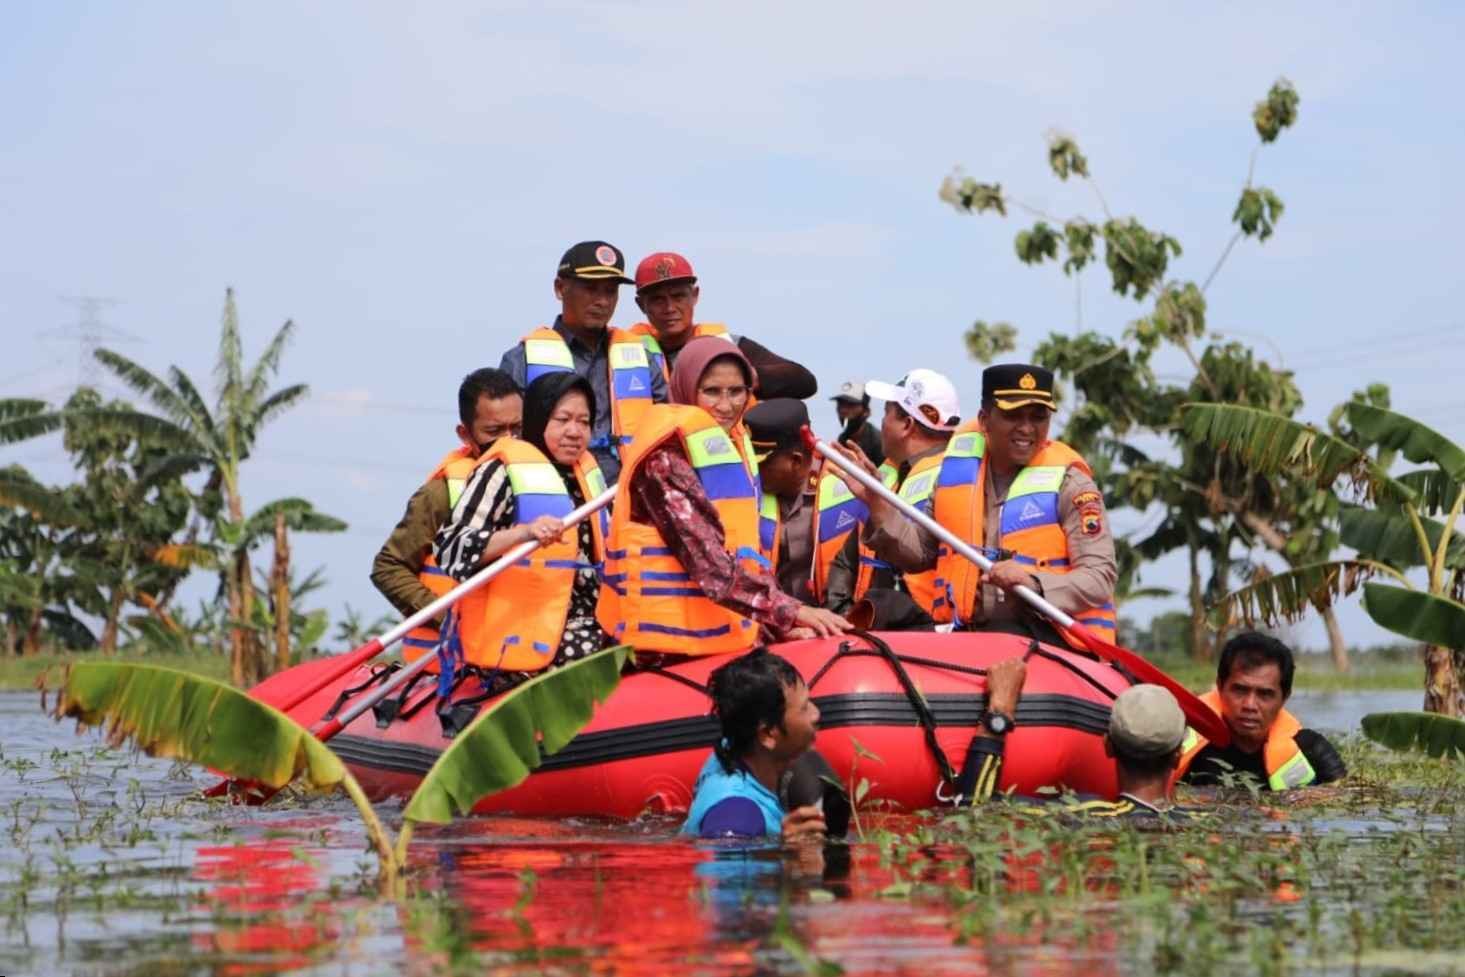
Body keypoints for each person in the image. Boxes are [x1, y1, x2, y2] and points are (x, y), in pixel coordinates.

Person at [597, 337, 851, 656]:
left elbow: (741, 558)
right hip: (659, 647)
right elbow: (710, 564)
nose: (726, 405)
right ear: (689, 389)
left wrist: (776, 629)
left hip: (715, 634)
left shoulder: (730, 450)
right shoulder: (663, 461)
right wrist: (794, 612)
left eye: (736, 392)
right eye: (712, 392)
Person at [432, 373, 612, 699]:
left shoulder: (590, 475)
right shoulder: (501, 472)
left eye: (584, 422)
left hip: (589, 624)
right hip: (521, 639)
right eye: (562, 420)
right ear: (538, 419)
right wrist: (522, 533)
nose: (574, 431)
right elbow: (451, 548)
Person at [370, 368, 522, 664]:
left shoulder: (543, 482)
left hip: (520, 651)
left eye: (517, 429)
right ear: (465, 434)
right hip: (451, 665)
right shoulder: (440, 494)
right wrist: (448, 617)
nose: (508, 442)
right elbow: (388, 567)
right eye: (494, 432)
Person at [497, 241, 668, 483]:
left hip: (627, 493)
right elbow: (504, 436)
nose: (602, 301)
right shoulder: (521, 360)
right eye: (591, 288)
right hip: (555, 491)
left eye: (610, 291)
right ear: (559, 288)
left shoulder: (641, 358)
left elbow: (665, 428)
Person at [954, 662, 1201, 819]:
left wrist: (1000, 710)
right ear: (1178, 754)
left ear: (1108, 746)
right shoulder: (1203, 820)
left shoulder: (1088, 814)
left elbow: (976, 811)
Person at [823, 369, 962, 625]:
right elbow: (848, 559)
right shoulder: (886, 476)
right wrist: (846, 617)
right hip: (877, 628)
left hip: (931, 634)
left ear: (907, 425)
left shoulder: (955, 482)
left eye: (887, 413)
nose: (882, 422)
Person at [682, 648, 828, 840]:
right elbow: (723, 858)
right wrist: (786, 853)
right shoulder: (739, 814)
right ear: (767, 734)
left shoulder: (732, 747)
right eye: (804, 708)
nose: (816, 714)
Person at [629, 251, 817, 400]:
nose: (669, 308)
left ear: (694, 296)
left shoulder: (730, 346)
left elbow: (804, 381)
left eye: (678, 296)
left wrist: (739, 376)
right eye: (657, 300)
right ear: (640, 305)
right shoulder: (626, 357)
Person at [1176, 632, 1347, 791]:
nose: (1250, 705)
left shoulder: (1311, 748)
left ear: (1285, 696)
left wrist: (1310, 797)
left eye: (1265, 694)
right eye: (1240, 690)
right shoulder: (1180, 742)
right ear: (1220, 687)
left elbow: (1344, 796)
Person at [745, 399, 818, 601]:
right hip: (774, 622)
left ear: (796, 461)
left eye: (761, 464)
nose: (753, 471)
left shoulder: (848, 491)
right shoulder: (744, 494)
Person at [830, 381, 884, 466]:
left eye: (851, 405)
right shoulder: (843, 439)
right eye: (840, 404)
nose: (843, 410)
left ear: (866, 412)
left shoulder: (879, 442)